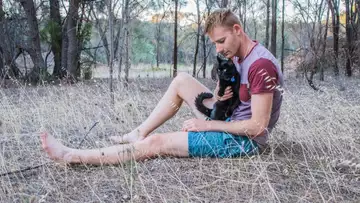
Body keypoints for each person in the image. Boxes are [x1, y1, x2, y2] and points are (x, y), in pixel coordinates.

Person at [40, 8, 284, 165]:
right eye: (214, 43)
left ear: (237, 30)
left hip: (241, 141)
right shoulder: (239, 56)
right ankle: (138, 132)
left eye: (221, 41)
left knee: (157, 143)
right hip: (228, 121)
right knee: (181, 80)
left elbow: (258, 127)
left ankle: (73, 156)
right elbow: (236, 99)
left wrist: (206, 125)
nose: (219, 49)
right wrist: (220, 95)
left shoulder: (260, 65)